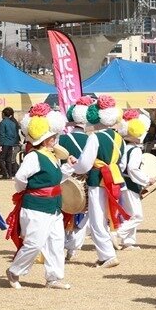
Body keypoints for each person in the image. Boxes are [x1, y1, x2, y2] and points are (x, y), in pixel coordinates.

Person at [5, 103, 74, 290]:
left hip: (53, 206)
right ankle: (15, 270)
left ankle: (54, 278)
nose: (55, 139)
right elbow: (20, 178)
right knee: (34, 243)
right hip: (36, 206)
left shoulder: (51, 156)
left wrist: (68, 167)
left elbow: (55, 179)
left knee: (56, 243)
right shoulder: (33, 157)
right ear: (44, 139)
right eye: (52, 137)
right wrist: (26, 191)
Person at [71, 95, 127, 268]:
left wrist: (75, 165)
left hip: (98, 179)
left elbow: (85, 164)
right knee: (106, 216)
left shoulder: (95, 137)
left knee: (97, 219)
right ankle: (106, 254)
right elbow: (122, 163)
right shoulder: (119, 138)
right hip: (115, 178)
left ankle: (107, 255)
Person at [115, 110, 154, 250]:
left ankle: (128, 241)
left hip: (123, 182)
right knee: (137, 215)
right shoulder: (135, 150)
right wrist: (146, 179)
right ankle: (117, 233)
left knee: (129, 213)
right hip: (130, 184)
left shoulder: (124, 147)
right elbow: (132, 169)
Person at [60, 100, 92, 262]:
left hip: (66, 181)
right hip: (85, 182)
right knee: (84, 216)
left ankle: (63, 243)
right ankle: (73, 248)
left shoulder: (62, 139)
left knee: (65, 213)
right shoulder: (91, 139)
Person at [0, 107, 21, 179]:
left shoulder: (2, 123)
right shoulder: (13, 123)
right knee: (9, 160)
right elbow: (15, 134)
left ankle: (5, 174)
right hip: (11, 143)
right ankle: (10, 175)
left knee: (0, 159)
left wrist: (0, 145)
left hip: (4, 143)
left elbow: (1, 134)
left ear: (3, 114)